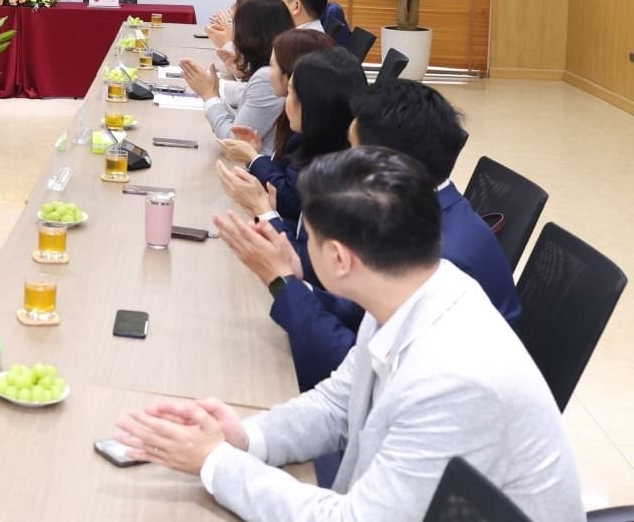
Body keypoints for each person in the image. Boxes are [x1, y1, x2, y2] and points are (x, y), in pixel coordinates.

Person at [117, 147, 581, 521]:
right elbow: (340, 404)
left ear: (339, 259)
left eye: (310, 239)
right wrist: (245, 437)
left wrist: (215, 462)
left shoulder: (454, 381)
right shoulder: (412, 287)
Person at [218, 79, 523, 395]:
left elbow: (358, 373)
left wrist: (282, 284)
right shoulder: (420, 213)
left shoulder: (440, 259)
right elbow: (363, 313)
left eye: (353, 152)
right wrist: (298, 282)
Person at [217, 46, 365, 224]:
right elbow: (283, 180)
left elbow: (290, 201)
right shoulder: (306, 137)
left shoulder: (328, 160)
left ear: (310, 104)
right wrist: (256, 154)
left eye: (291, 92)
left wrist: (254, 158)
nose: (285, 100)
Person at [180, 0, 291, 152]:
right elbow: (240, 124)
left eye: (235, 27)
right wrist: (215, 92)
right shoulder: (274, 67)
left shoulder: (267, 77)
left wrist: (209, 96)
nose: (233, 35)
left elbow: (234, 140)